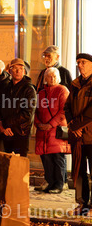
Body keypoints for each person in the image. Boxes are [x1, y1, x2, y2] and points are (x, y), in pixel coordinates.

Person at [34, 67, 70, 194]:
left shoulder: (62, 90)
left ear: (58, 77)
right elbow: (36, 111)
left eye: (54, 76)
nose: (52, 78)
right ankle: (50, 182)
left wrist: (50, 124)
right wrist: (38, 124)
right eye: (49, 76)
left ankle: (60, 184)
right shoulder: (41, 93)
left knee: (58, 157)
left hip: (56, 130)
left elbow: (64, 110)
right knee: (46, 157)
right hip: (43, 131)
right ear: (45, 78)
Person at [0, 59, 36, 157]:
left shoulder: (29, 89)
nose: (18, 71)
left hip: (21, 134)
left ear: (24, 71)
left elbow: (27, 114)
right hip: (7, 133)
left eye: (21, 68)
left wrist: (6, 123)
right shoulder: (6, 88)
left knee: (19, 163)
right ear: (9, 71)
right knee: (7, 163)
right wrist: (1, 126)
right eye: (15, 68)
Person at [68, 53, 92, 212]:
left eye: (83, 62)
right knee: (79, 170)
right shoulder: (75, 84)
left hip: (90, 134)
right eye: (78, 62)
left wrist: (77, 126)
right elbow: (67, 106)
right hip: (77, 137)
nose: (80, 65)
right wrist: (71, 124)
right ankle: (82, 203)